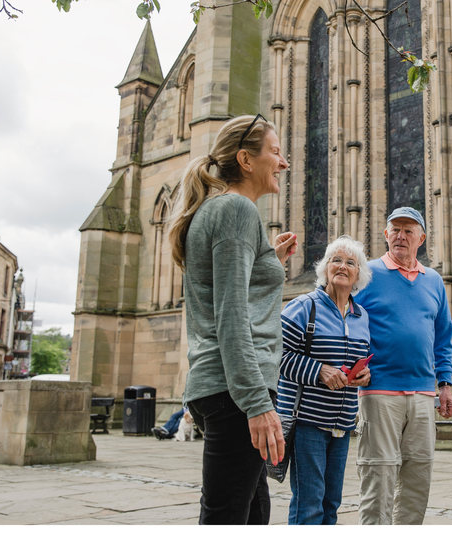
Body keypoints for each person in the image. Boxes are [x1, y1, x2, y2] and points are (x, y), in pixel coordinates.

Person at [168, 114, 299, 525]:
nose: (284, 163)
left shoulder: (220, 211)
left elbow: (229, 291)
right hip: (237, 392)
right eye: (275, 152)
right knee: (226, 519)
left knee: (254, 514)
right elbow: (230, 316)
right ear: (246, 159)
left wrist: (268, 262)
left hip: (225, 389)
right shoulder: (236, 210)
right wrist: (257, 403)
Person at [354, 207, 452, 525]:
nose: (401, 235)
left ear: (421, 238)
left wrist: (446, 383)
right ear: (385, 235)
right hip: (379, 391)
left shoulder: (434, 281)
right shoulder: (366, 274)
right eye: (395, 229)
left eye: (409, 230)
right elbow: (348, 323)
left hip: (424, 394)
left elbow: (443, 336)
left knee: (418, 477)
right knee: (378, 476)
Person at [277, 235, 373, 525]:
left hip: (342, 424)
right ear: (325, 268)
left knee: (331, 503)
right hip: (307, 422)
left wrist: (365, 376)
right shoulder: (303, 307)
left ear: (359, 274)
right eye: (336, 260)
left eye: (350, 262)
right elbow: (274, 356)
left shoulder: (361, 316)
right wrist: (318, 370)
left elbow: (362, 358)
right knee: (309, 504)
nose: (343, 266)